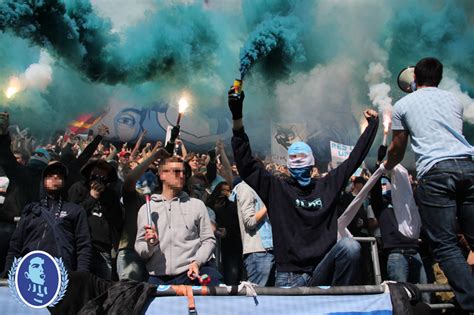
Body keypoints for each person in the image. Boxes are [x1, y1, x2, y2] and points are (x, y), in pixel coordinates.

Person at [228, 88, 379, 287]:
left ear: (312, 163)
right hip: (290, 276)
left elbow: (354, 159)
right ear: (288, 165)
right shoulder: (277, 188)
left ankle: (340, 297)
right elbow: (246, 164)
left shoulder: (327, 185)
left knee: (350, 247)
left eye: (302, 158)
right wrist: (237, 118)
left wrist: (372, 127)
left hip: (323, 269)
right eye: (293, 158)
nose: (298, 162)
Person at [385, 57, 474, 311]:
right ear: (439, 78)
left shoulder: (403, 105)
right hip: (468, 166)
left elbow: (398, 149)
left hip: (435, 173)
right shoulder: (453, 101)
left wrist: (388, 165)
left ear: (414, 80)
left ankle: (470, 302)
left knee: (445, 244)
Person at [135, 156, 221, 285]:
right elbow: (140, 247)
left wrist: (197, 262)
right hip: (157, 279)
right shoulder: (147, 208)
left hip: (190, 276)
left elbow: (208, 240)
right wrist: (150, 245)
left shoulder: (197, 205)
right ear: (162, 175)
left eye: (183, 172)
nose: (181, 175)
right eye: (176, 171)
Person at [3, 162, 92, 274]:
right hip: (29, 273)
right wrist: (9, 270)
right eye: (50, 175)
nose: (55, 177)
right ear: (43, 181)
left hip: (63, 275)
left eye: (59, 175)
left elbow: (83, 246)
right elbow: (15, 246)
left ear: (65, 182)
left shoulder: (76, 211)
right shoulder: (30, 210)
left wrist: (82, 275)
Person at [68, 159, 123, 280]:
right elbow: (72, 215)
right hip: (81, 248)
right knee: (80, 285)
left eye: (104, 172)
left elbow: (118, 221)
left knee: (103, 287)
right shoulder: (78, 188)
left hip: (104, 249)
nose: (100, 175)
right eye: (97, 171)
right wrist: (92, 198)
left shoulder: (111, 194)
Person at [232, 180, 275, 286]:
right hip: (258, 253)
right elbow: (249, 221)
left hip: (271, 250)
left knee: (273, 298)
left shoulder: (261, 187)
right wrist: (269, 205)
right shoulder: (245, 188)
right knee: (258, 298)